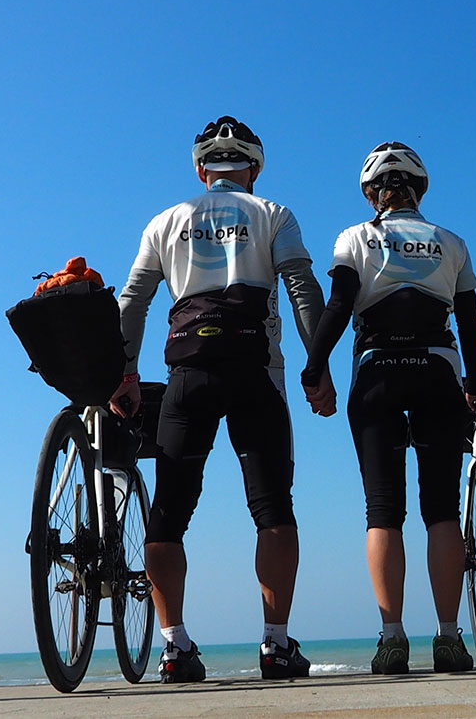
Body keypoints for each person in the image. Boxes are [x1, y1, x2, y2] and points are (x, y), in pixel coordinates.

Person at [109, 116, 328, 683]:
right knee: (273, 507)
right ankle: (276, 647)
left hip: (188, 375)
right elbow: (302, 287)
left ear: (201, 169)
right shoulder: (273, 214)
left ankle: (175, 646)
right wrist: (317, 361)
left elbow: (132, 301)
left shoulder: (167, 220)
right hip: (256, 371)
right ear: (254, 168)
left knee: (170, 511)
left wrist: (126, 374)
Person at [299, 141, 476, 675]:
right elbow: (471, 324)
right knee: (442, 510)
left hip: (378, 372)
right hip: (437, 371)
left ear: (372, 195)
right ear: (418, 190)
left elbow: (339, 305)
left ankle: (392, 640)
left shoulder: (356, 237)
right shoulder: (451, 242)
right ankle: (449, 640)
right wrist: (474, 382)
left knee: (383, 510)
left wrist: (315, 368)